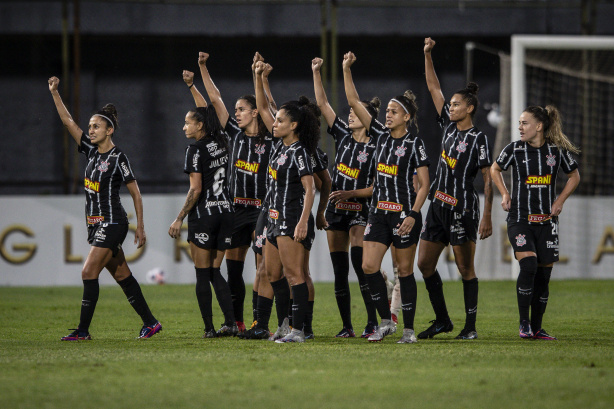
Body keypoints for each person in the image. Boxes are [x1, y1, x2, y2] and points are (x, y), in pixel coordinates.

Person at [48, 76, 161, 341]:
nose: (90, 130)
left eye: (96, 126)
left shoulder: (118, 157)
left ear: (109, 130)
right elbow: (68, 122)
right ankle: (151, 323)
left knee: (88, 272)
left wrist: (140, 227)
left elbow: (135, 193)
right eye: (90, 126)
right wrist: (55, 92)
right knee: (123, 275)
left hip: (113, 223)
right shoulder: (89, 152)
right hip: (96, 224)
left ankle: (83, 331)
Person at [343, 52, 430, 343]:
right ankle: (385, 322)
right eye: (387, 111)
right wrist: (346, 70)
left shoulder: (415, 144)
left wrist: (413, 215)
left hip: (404, 214)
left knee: (405, 271)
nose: (388, 114)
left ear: (406, 116)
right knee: (368, 266)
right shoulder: (379, 134)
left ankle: (408, 329)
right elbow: (354, 101)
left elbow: (425, 184)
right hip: (378, 213)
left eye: (394, 111)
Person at [186, 51, 275, 333]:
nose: (235, 113)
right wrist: (202, 67)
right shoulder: (234, 134)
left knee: (264, 270)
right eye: (235, 109)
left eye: (241, 109)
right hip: (235, 210)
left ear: (255, 112)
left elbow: (269, 104)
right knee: (234, 271)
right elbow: (215, 100)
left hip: (262, 210)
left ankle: (261, 322)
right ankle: (236, 322)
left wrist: (259, 76)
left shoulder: (272, 137)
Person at [416, 37, 493, 341]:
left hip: (463, 209)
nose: (450, 106)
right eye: (451, 104)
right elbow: (434, 88)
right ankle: (443, 320)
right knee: (424, 264)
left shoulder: (479, 139)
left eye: (457, 104)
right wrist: (427, 55)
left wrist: (486, 216)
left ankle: (470, 327)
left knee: (465, 268)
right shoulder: (447, 127)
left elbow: (488, 177)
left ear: (470, 108)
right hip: (437, 206)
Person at [491, 105, 580, 340]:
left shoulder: (556, 151)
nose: (520, 127)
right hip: (520, 219)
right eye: (519, 123)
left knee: (543, 276)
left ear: (539, 126)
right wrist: (504, 193)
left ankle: (537, 327)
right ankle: (524, 324)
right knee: (529, 265)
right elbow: (495, 169)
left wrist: (559, 200)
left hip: (547, 222)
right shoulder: (514, 149)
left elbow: (574, 176)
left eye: (524, 123)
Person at [312, 56, 382, 338]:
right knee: (340, 272)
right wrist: (316, 72)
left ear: (368, 119)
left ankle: (372, 322)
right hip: (336, 208)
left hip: (360, 209)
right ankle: (347, 326)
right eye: (351, 112)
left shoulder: (378, 145)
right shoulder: (342, 134)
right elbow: (322, 105)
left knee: (360, 266)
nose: (350, 114)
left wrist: (351, 192)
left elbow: (378, 188)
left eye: (356, 112)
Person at [252, 62, 320, 343]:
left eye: (280, 121)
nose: (275, 123)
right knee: (272, 272)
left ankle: (298, 330)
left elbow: (311, 188)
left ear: (293, 126)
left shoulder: (300, 152)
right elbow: (263, 107)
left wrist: (304, 221)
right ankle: (284, 325)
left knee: (295, 275)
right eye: (275, 120)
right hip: (272, 217)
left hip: (292, 217)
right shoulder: (280, 145)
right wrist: (257, 78)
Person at [168, 105, 237, 338]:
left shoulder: (194, 150)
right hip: (226, 211)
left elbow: (195, 189)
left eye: (187, 122)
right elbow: (210, 109)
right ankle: (231, 323)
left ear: (200, 125)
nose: (184, 126)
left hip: (205, 215)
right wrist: (192, 85)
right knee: (215, 271)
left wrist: (179, 218)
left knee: (202, 273)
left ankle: (208, 328)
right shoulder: (222, 142)